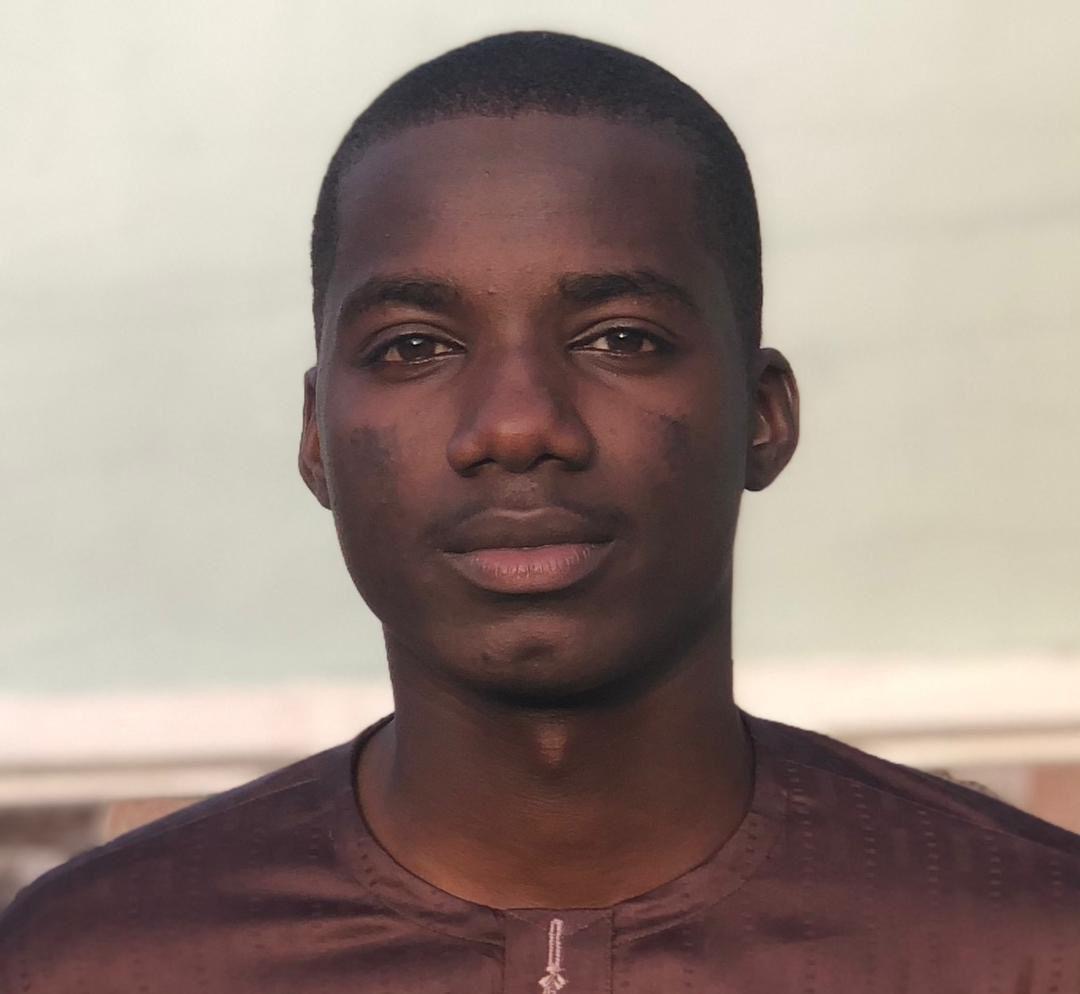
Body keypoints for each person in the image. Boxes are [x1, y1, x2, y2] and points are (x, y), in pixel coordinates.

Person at [2, 30, 1077, 994]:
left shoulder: (1028, 945)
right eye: (413, 347)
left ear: (763, 415)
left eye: (620, 338)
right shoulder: (94, 962)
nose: (517, 427)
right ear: (318, 435)